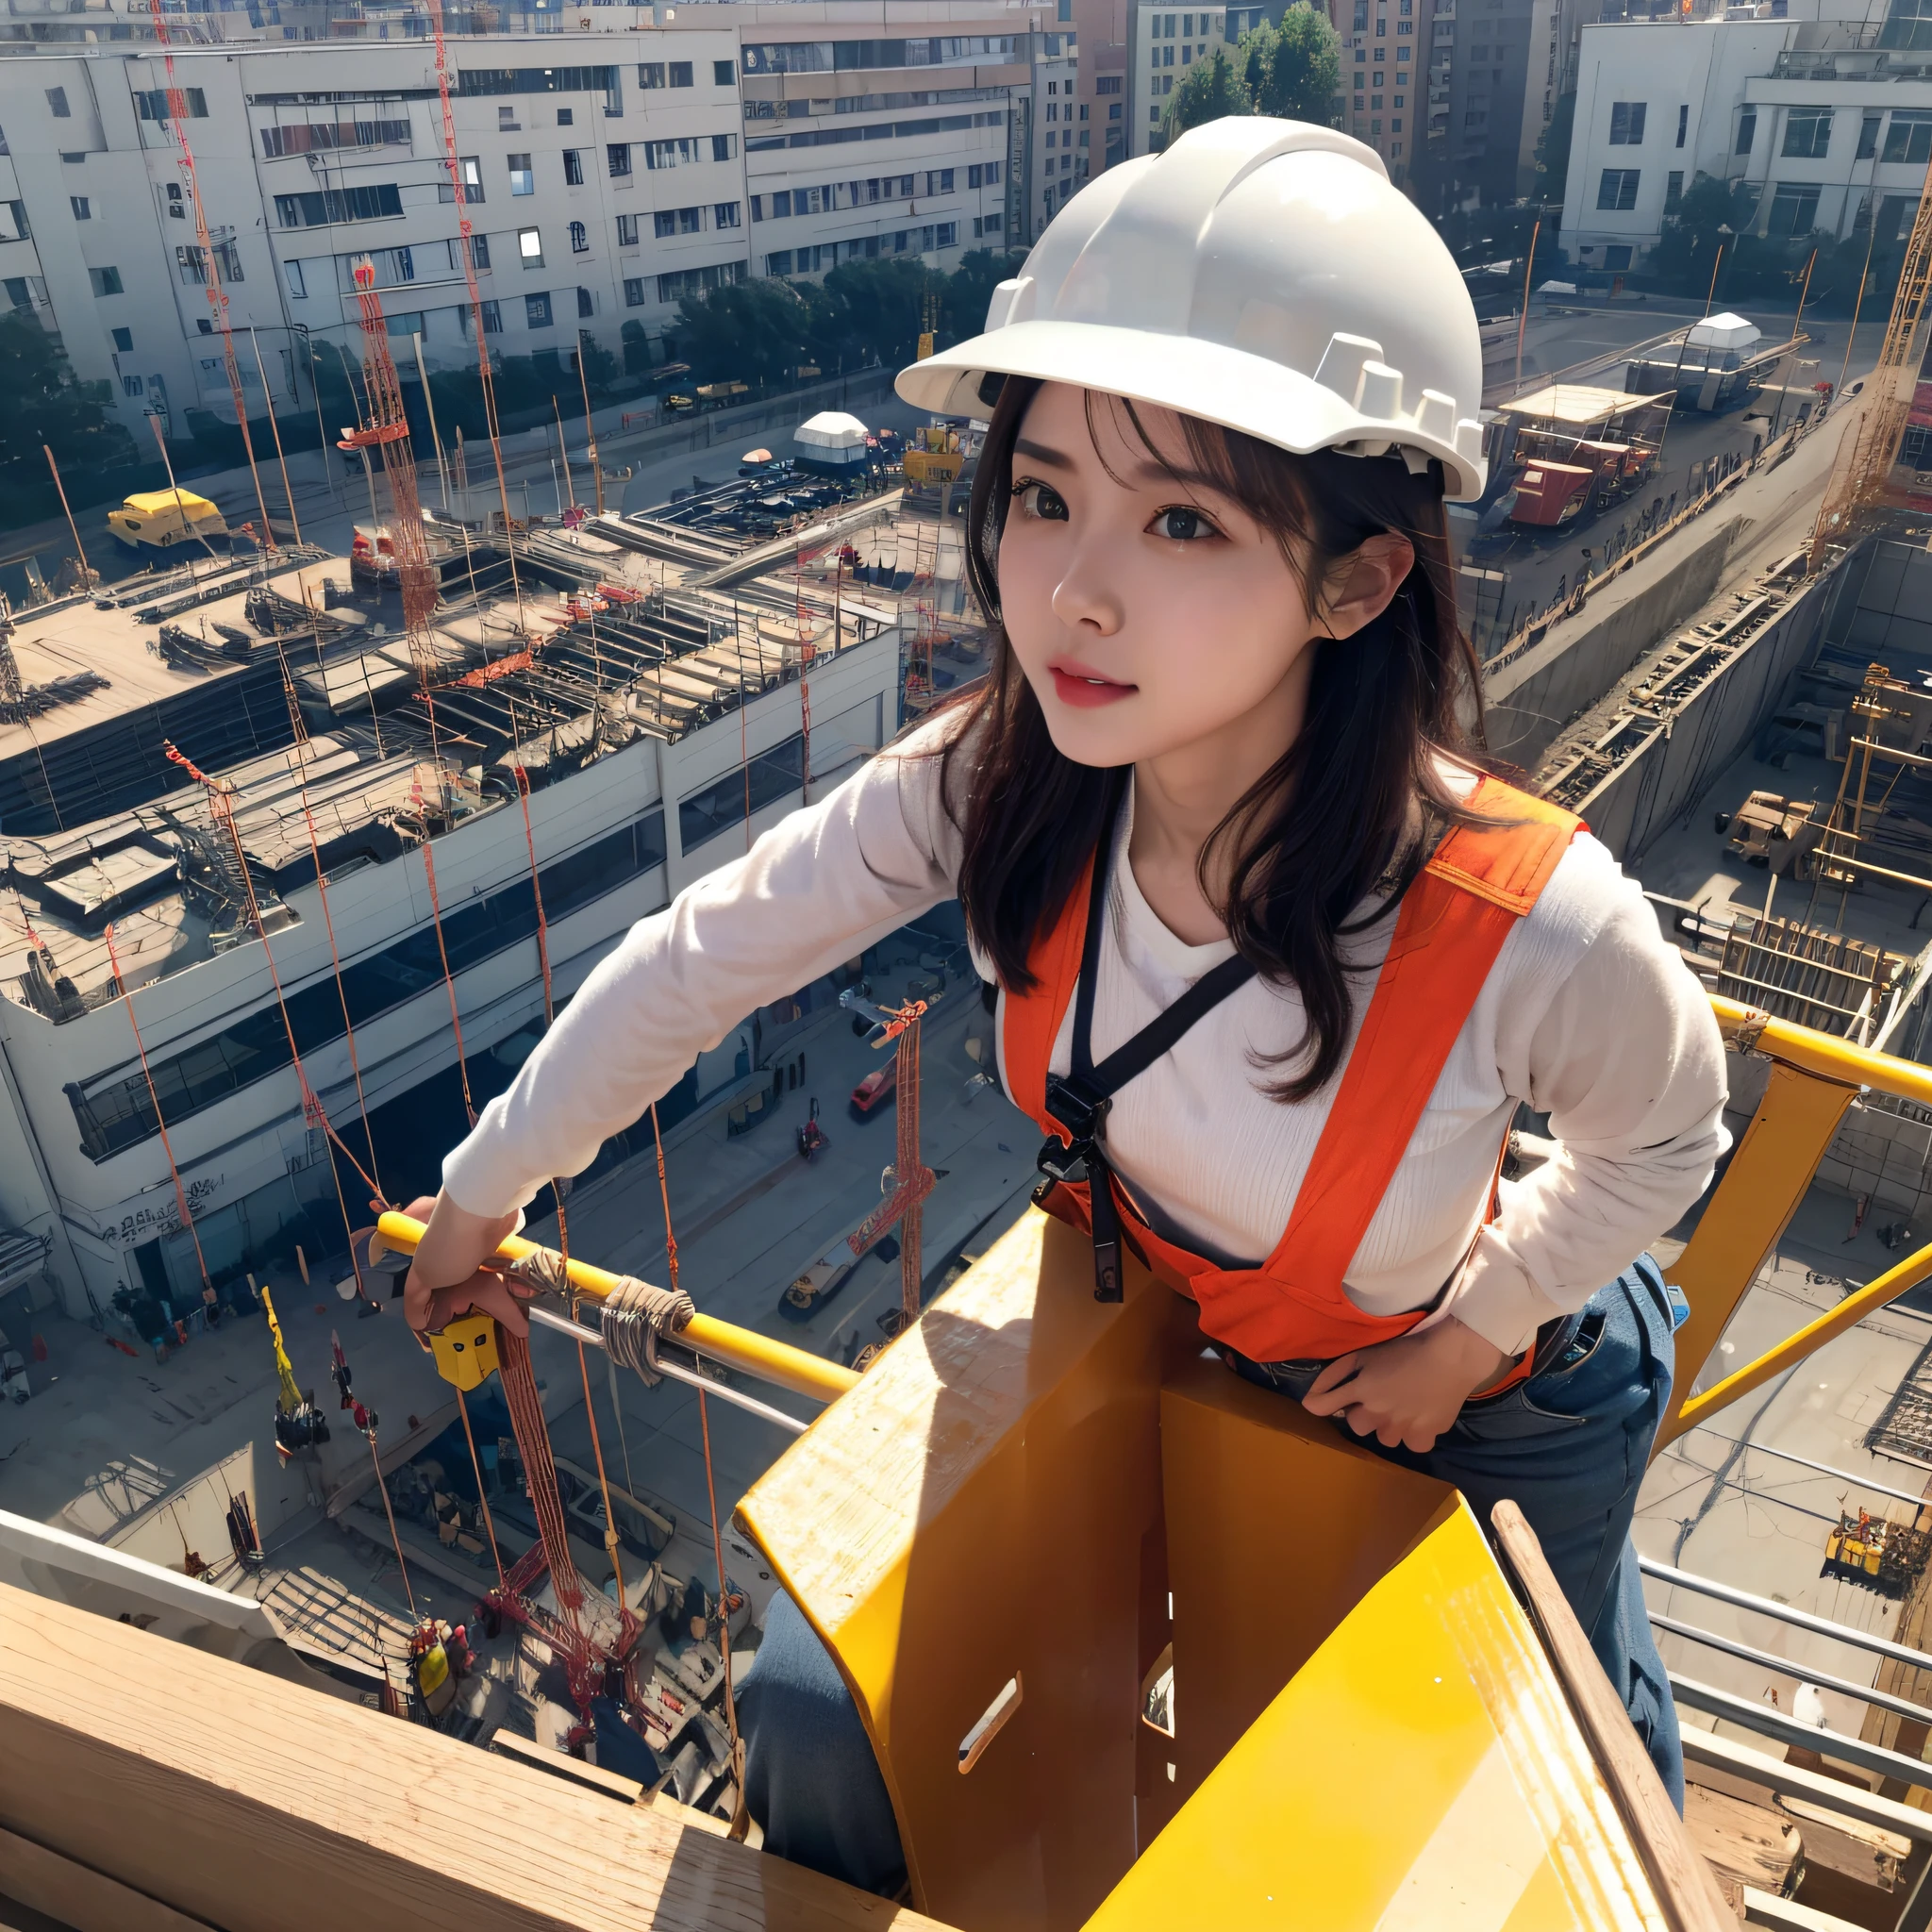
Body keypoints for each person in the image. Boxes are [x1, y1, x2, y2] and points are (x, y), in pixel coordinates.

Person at [404, 120, 1725, 1892]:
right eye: (1041, 496)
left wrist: (1469, 1333)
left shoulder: (1525, 922)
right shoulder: (1006, 784)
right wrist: (483, 1197)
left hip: (1486, 1401)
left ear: (1358, 577)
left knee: (1563, 1833)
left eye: (1181, 517)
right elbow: (713, 954)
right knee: (824, 1705)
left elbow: (1667, 1142)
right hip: (1169, 1307)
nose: (1072, 591)